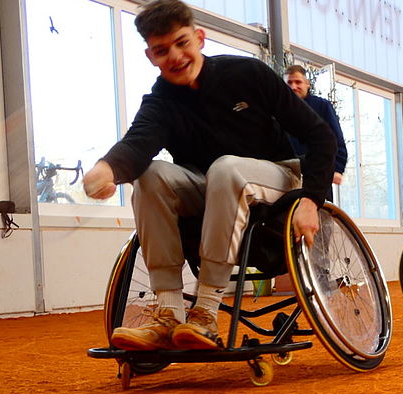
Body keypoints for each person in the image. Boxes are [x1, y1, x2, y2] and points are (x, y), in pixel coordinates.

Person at [82, 0, 336, 351]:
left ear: (199, 38)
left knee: (227, 167)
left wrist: (311, 200)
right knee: (151, 174)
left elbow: (320, 135)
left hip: (277, 178)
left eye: (181, 43)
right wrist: (105, 170)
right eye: (162, 50)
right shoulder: (161, 102)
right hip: (211, 185)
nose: (175, 56)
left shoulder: (247, 74)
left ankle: (205, 312)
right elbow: (137, 145)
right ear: (150, 56)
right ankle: (169, 313)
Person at [284, 65, 348, 190]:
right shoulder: (279, 110)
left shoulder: (322, 106)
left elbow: (336, 139)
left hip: (317, 174)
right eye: (289, 83)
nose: (293, 87)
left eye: (298, 82)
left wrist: (337, 168)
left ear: (307, 84)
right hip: (287, 174)